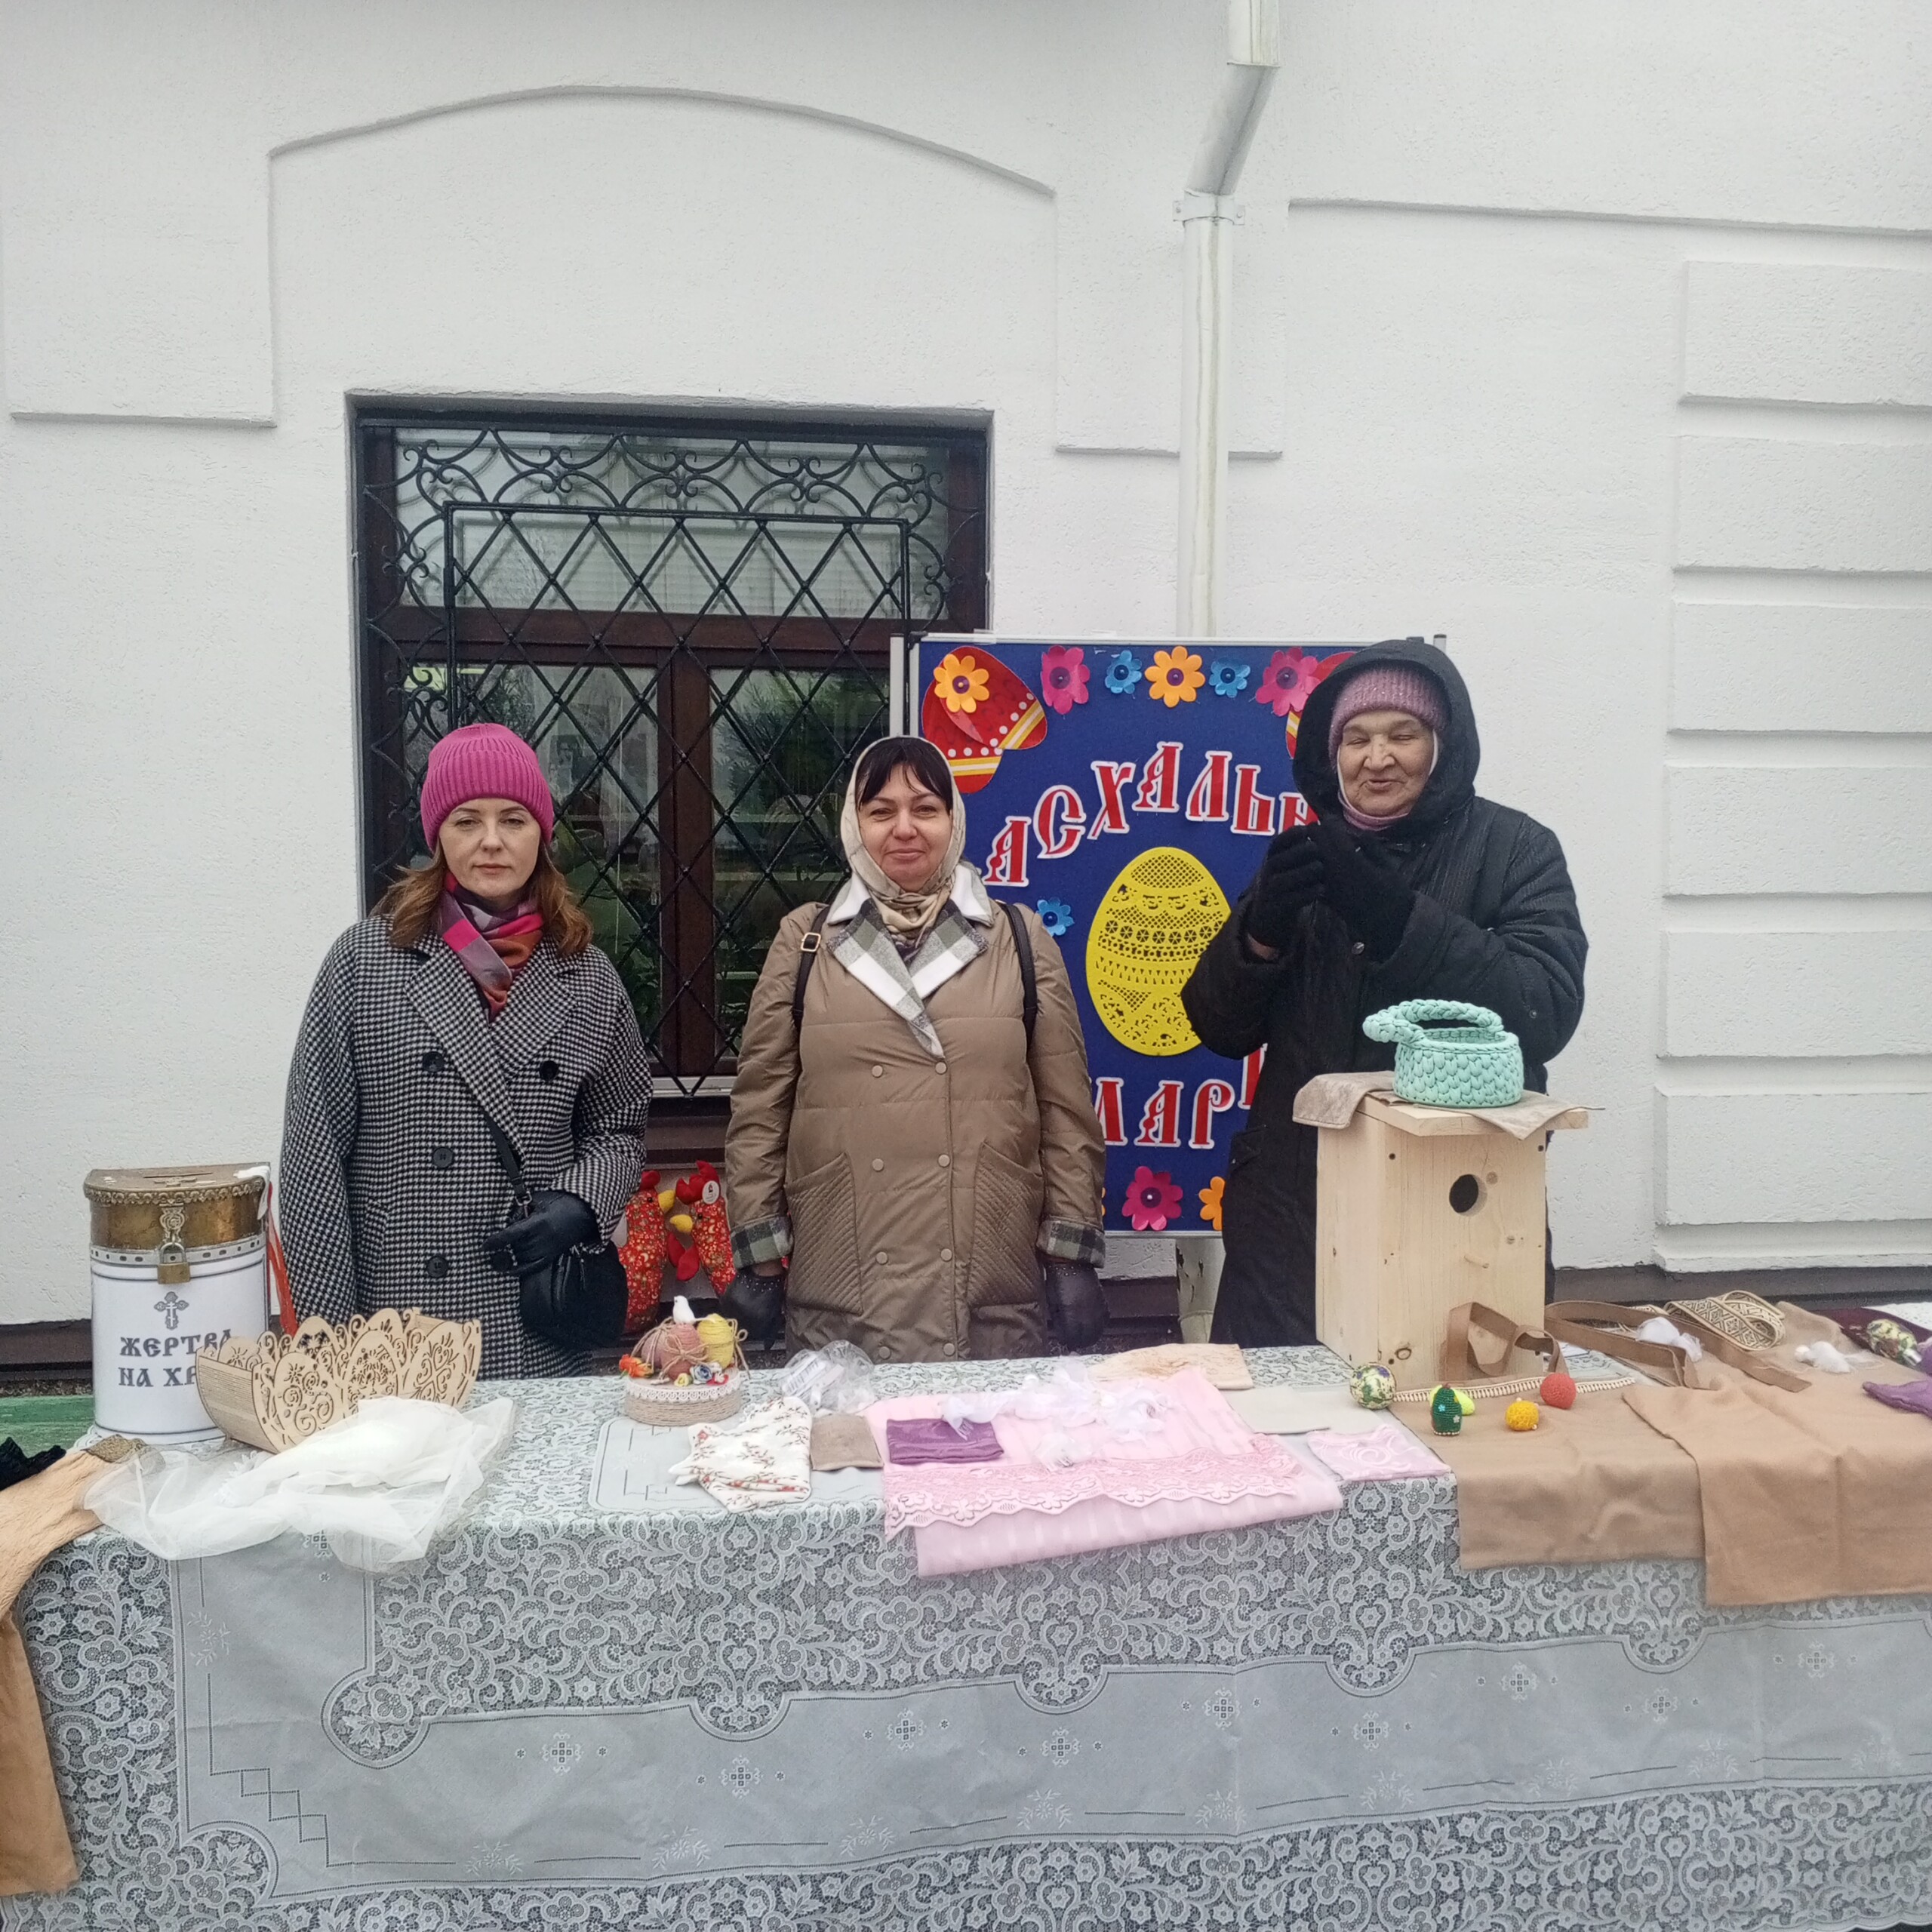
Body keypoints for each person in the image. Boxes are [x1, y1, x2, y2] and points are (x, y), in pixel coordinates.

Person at [1181, 638, 1586, 1346]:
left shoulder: (1517, 849)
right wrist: (1259, 936)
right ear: (1331, 753)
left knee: (1444, 1397)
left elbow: (1542, 1008)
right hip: (1290, 1217)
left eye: (1404, 735)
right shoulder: (1310, 854)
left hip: (1456, 1202)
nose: (1378, 758)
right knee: (1285, 1406)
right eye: (1357, 739)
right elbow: (1219, 1026)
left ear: (1443, 746)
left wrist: (1398, 920)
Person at [281, 722, 652, 1377]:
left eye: (513, 819)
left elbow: (617, 1131)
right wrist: (327, 1344)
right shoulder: (365, 962)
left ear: (541, 834)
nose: (491, 840)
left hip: (533, 1323)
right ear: (438, 836)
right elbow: (314, 1159)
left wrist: (579, 1204)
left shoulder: (586, 976)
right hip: (397, 1324)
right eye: (467, 820)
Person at [722, 737, 1106, 1362]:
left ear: (954, 820)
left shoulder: (1017, 938)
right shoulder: (806, 941)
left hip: (988, 1275)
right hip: (842, 1271)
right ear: (856, 825)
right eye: (881, 811)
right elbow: (761, 1110)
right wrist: (761, 1258)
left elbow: (1066, 1113)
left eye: (925, 808)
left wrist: (1070, 1255)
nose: (904, 828)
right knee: (854, 1426)